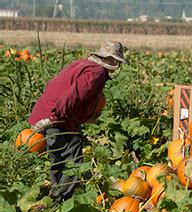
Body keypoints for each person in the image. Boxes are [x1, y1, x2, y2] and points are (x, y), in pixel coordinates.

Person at [28, 41, 129, 202]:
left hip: (49, 113)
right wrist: (54, 117)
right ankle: (63, 200)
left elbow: (63, 89)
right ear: (111, 61)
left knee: (59, 157)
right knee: (73, 162)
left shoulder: (84, 64)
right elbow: (73, 95)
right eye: (115, 61)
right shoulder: (97, 73)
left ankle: (57, 197)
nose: (115, 65)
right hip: (55, 117)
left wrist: (83, 116)